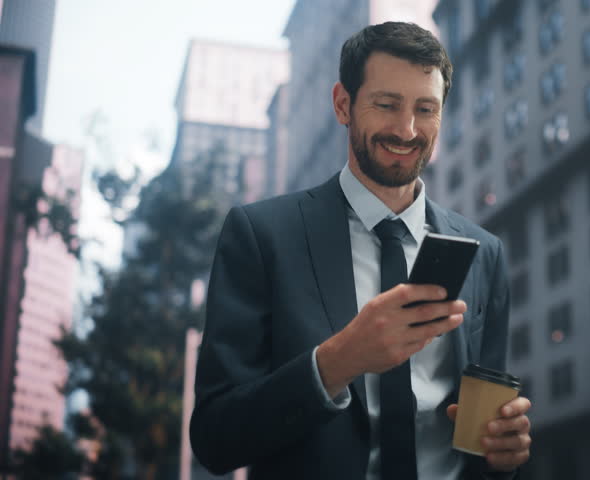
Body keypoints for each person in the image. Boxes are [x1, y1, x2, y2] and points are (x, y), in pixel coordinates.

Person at [189, 22, 532, 479]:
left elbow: (483, 441)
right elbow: (215, 437)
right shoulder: (260, 235)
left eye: (425, 109)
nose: (407, 129)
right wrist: (341, 358)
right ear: (343, 104)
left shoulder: (485, 253)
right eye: (387, 104)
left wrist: (503, 453)